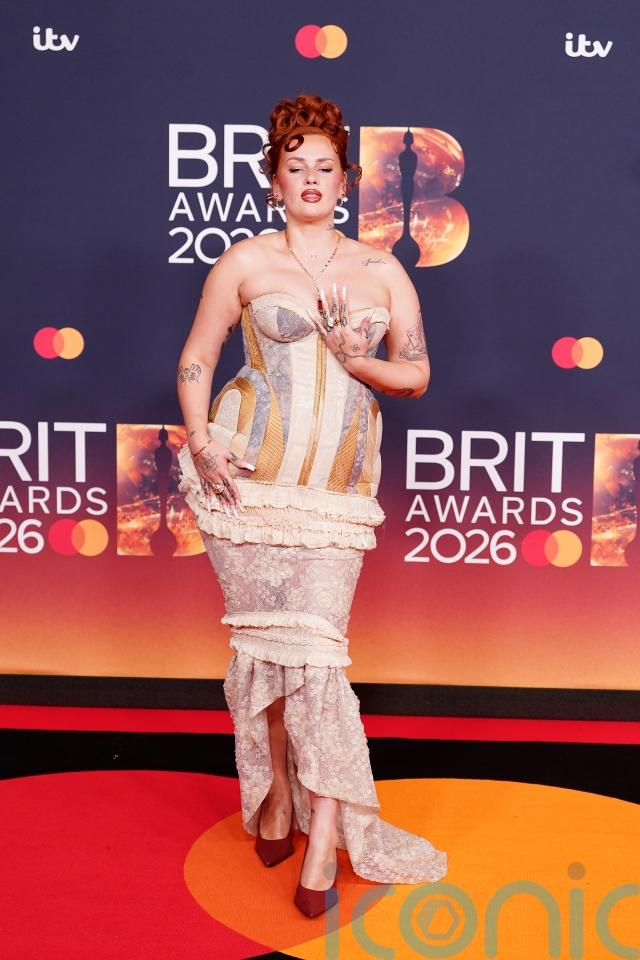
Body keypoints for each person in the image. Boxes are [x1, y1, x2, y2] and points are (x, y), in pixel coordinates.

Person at [176, 92, 447, 918]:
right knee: (267, 651)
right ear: (274, 181)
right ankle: (276, 798)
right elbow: (198, 358)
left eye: (325, 167)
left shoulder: (382, 271)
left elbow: (416, 374)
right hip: (247, 486)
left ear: (346, 180)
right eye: (295, 167)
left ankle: (323, 833)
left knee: (320, 659)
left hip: (334, 496)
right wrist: (202, 442)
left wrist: (353, 359)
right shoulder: (244, 263)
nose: (311, 179)